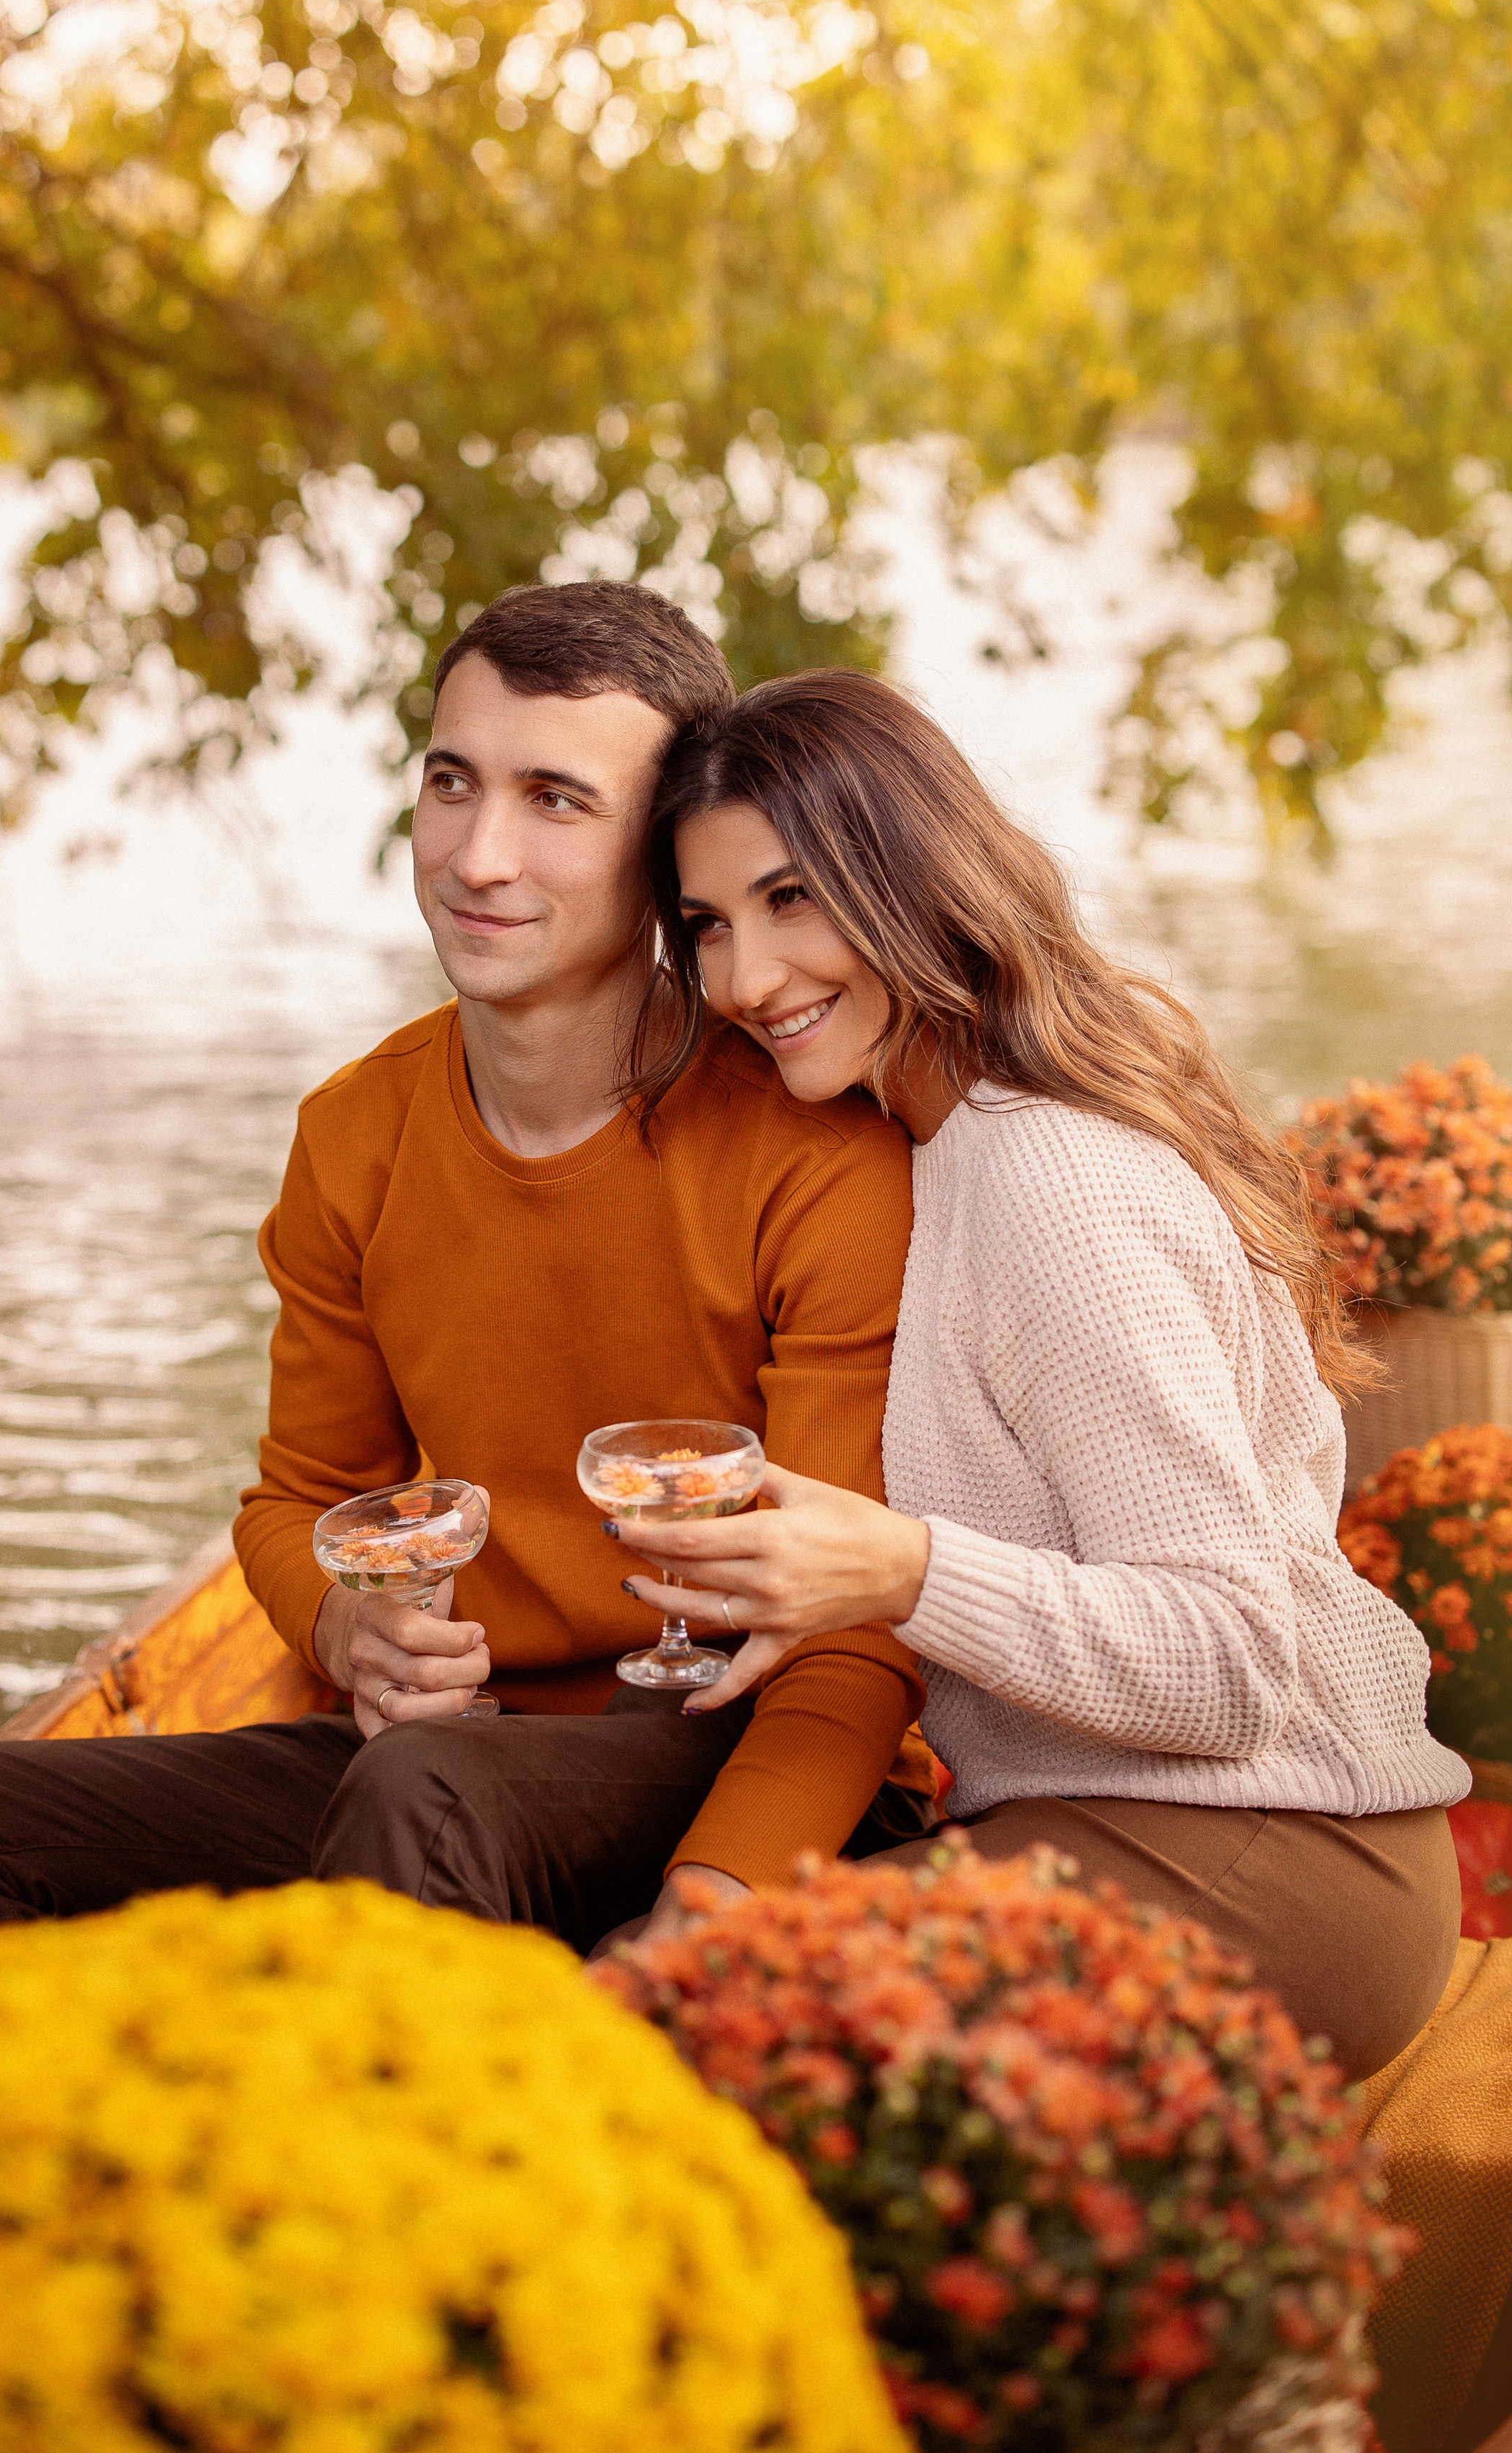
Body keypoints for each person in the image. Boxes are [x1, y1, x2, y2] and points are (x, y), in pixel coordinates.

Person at [0, 587, 930, 1951]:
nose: (477, 856)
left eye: (555, 802)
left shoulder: (818, 1158)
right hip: (439, 1750)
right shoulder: (355, 1133)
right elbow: (298, 1499)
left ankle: (430, 2113)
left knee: (424, 1792)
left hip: (733, 1759)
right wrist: (350, 1636)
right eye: (451, 784)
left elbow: (850, 1636)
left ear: (664, 851)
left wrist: (707, 1914)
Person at [610, 667, 1466, 2075]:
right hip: (1117, 1824)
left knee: (680, 2027)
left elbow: (1231, 1663)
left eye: (789, 901)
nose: (741, 981)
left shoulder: (1047, 1183)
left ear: (908, 878)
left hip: (1279, 1854)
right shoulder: (932, 1146)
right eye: (703, 928)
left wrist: (897, 1572)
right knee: (654, 1988)